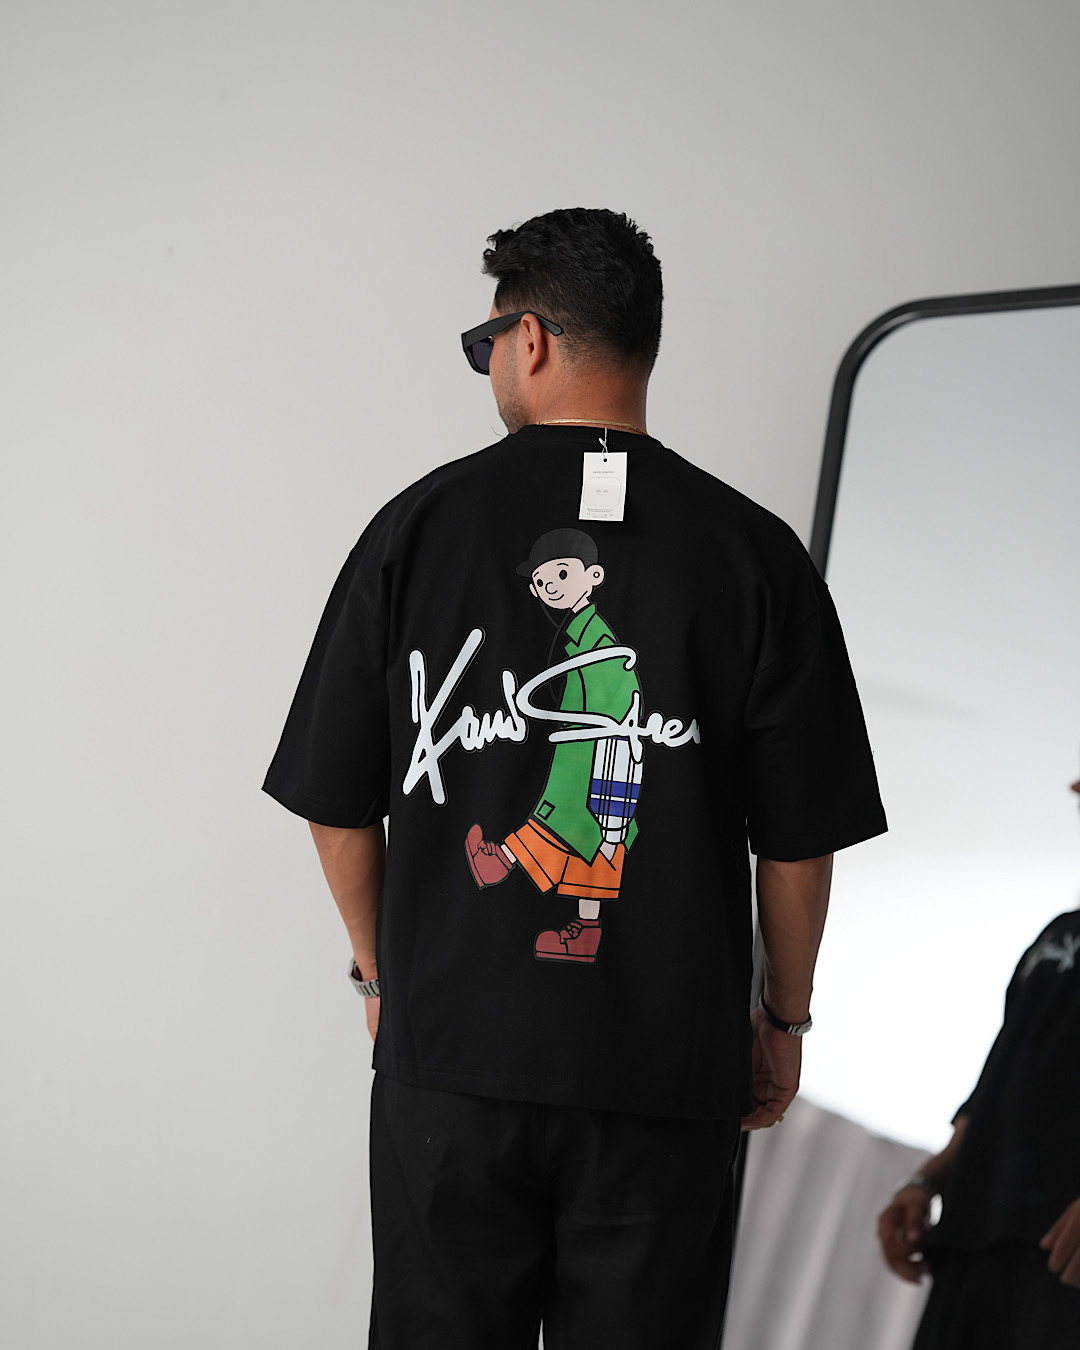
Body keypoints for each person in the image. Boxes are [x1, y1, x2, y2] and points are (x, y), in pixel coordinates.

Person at [263, 207, 887, 1349]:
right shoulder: (756, 556)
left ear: (532, 338)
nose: (491, 365)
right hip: (665, 1069)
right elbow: (799, 839)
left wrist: (383, 977)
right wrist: (781, 1018)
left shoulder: (417, 529)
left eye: (486, 343)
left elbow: (335, 802)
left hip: (455, 1057)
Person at [877, 769, 1080, 1349]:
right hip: (973, 1237)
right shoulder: (1056, 935)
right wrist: (924, 1180)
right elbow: (995, 1092)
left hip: (1064, 1257)